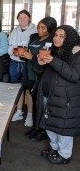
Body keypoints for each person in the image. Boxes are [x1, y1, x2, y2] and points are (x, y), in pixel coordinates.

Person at [34, 25, 80, 165]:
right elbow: (39, 72)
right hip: (49, 93)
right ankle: (54, 148)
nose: (57, 38)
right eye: (55, 35)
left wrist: (54, 61)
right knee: (49, 124)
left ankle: (64, 155)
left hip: (64, 98)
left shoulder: (76, 54)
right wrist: (40, 64)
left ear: (69, 38)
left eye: (61, 36)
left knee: (63, 128)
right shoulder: (53, 50)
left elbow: (75, 76)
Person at [21, 17, 57, 141]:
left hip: (41, 76)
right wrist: (25, 55)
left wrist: (32, 57)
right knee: (35, 102)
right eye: (39, 27)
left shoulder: (51, 42)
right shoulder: (35, 37)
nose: (40, 30)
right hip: (30, 73)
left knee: (41, 104)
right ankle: (36, 127)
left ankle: (42, 130)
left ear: (50, 29)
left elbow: (47, 62)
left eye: (43, 28)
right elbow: (30, 53)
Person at [9, 10, 37, 127]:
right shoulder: (14, 31)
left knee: (29, 90)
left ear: (29, 18)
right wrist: (13, 52)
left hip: (28, 64)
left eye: (24, 18)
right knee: (17, 88)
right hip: (15, 62)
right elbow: (9, 46)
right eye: (20, 18)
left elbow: (36, 50)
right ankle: (19, 111)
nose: (22, 20)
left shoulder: (35, 32)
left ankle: (30, 115)